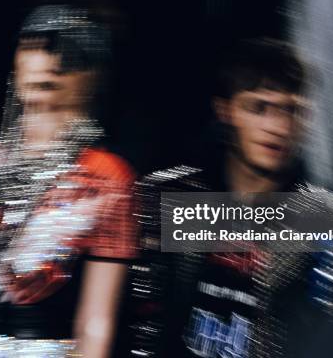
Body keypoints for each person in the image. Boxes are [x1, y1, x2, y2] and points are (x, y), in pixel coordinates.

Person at [0, 3, 137, 358]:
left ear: (92, 77)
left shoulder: (105, 175)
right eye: (36, 44)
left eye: (71, 55)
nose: (50, 61)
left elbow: (96, 321)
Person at [127, 38, 308, 358]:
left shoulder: (316, 218)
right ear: (225, 111)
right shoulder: (169, 196)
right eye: (259, 108)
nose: (280, 127)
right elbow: (138, 320)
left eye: (292, 110)